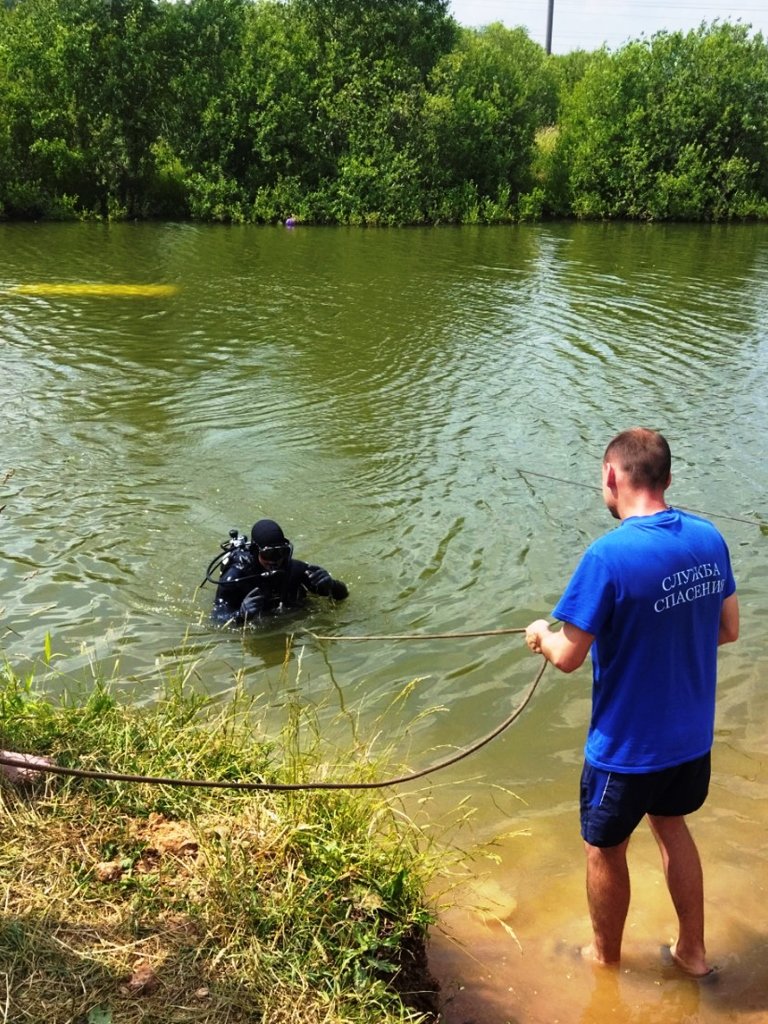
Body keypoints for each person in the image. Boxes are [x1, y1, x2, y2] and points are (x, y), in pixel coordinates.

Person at [525, 428, 739, 977]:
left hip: (627, 747)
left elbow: (569, 655)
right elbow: (728, 629)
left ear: (612, 477)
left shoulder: (608, 556)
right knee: (672, 827)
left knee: (604, 848)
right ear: (667, 478)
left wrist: (540, 635)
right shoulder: (709, 538)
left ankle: (605, 962)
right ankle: (693, 953)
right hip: (690, 739)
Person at [210, 518, 348, 626]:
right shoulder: (236, 577)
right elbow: (216, 619)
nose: (275, 560)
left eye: (282, 552)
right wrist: (240, 615)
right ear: (255, 551)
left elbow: (343, 596)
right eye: (269, 554)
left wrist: (332, 585)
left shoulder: (295, 569)